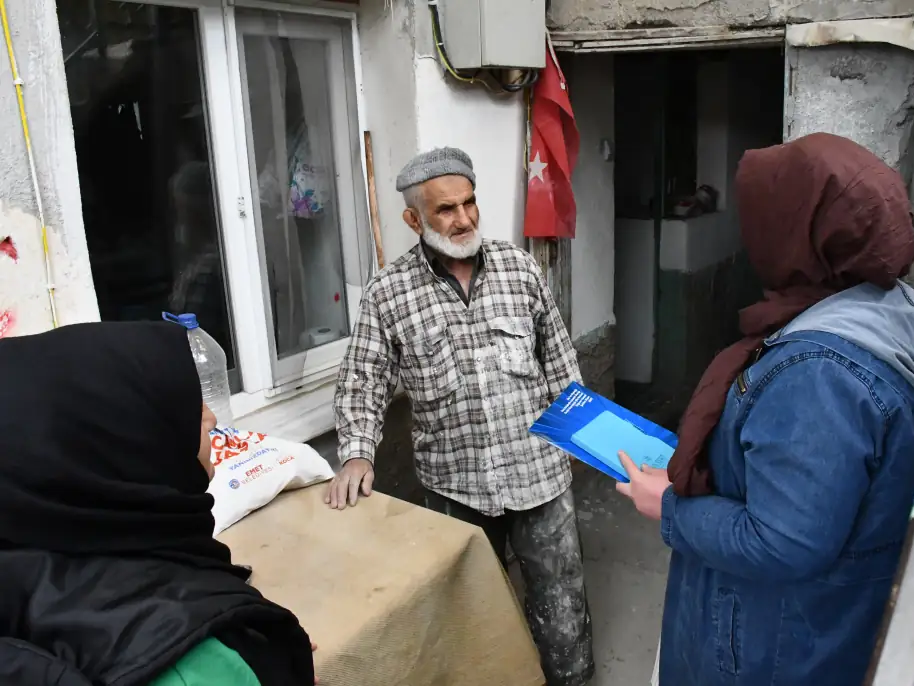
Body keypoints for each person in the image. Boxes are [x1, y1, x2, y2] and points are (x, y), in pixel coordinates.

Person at [616, 133, 914, 685]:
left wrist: (670, 506)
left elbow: (784, 541)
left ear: (797, 228)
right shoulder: (894, 309)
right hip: (819, 628)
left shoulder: (819, 374)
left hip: (767, 648)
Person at [327, 147, 595, 686]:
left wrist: (600, 442)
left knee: (562, 606)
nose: (464, 218)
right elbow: (363, 377)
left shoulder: (519, 268)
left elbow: (562, 366)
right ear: (414, 219)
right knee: (472, 612)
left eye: (469, 203)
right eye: (446, 209)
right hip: (456, 487)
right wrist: (357, 452)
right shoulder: (390, 293)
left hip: (537, 475)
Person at [0, 321, 316, 685]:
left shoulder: (46, 551)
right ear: (126, 443)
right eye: (189, 406)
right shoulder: (189, 662)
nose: (211, 419)